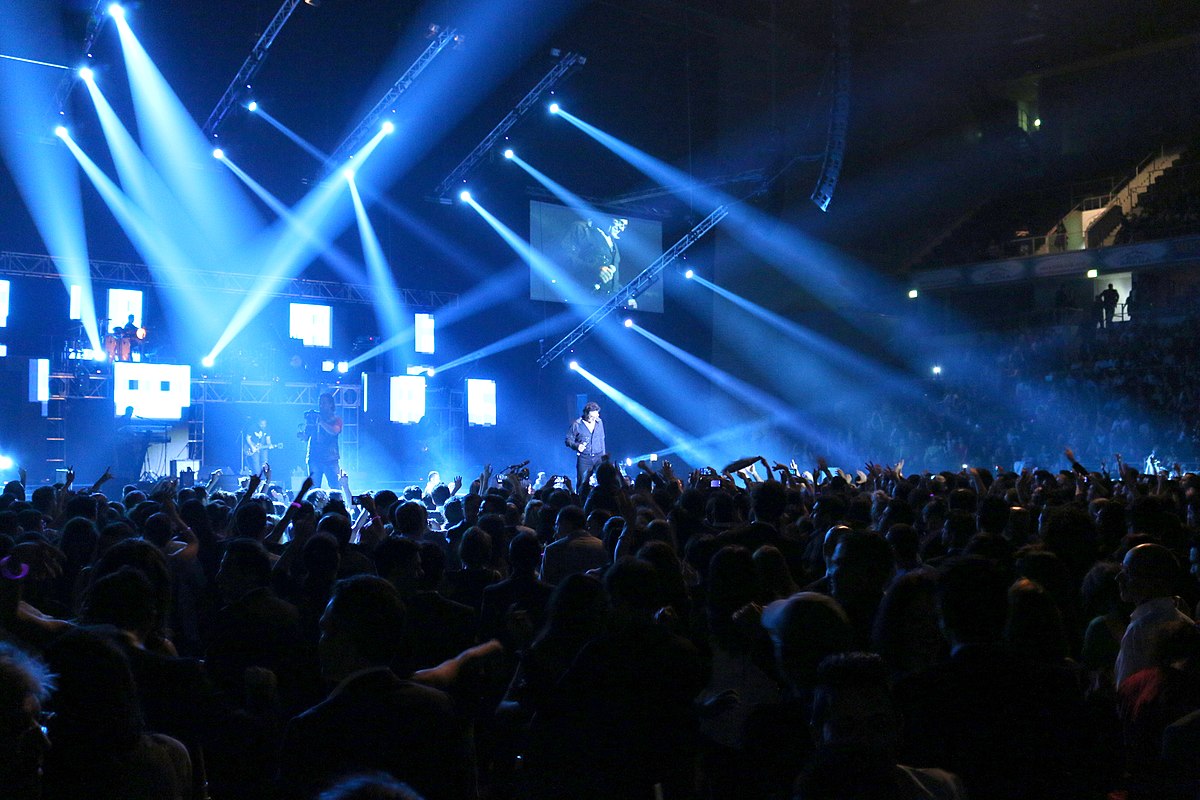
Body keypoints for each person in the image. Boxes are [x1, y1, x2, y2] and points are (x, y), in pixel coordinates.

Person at [562, 216, 627, 297]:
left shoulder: (613, 243)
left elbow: (613, 278)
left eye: (624, 226)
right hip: (584, 294)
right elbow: (565, 257)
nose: (622, 229)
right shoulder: (581, 228)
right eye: (620, 223)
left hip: (607, 300)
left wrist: (627, 296)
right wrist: (595, 269)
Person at [300, 392, 343, 488]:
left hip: (331, 458)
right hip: (314, 458)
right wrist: (302, 434)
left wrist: (321, 422)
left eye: (324, 403)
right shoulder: (313, 419)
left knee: (335, 487)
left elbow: (334, 431)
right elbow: (306, 437)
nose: (321, 405)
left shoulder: (336, 419)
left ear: (331, 404)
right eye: (320, 403)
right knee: (314, 489)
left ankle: (337, 503)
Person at [564, 401, 605, 490]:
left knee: (604, 481)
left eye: (595, 416)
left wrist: (604, 456)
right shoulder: (577, 425)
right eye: (591, 417)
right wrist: (576, 446)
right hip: (585, 458)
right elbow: (568, 440)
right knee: (582, 483)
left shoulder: (599, 422)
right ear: (585, 414)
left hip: (599, 456)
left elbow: (602, 439)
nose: (593, 419)